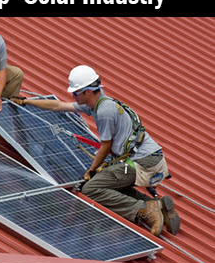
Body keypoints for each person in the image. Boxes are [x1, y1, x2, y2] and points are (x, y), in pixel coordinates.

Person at [12, 65, 180, 237]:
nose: (73, 96)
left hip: (143, 162)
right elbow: (58, 106)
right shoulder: (100, 104)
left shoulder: (104, 111)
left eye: (76, 93)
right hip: (149, 159)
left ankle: (144, 209)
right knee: (107, 184)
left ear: (88, 92)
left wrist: (91, 170)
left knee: (91, 188)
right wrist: (26, 101)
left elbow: (105, 146)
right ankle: (157, 205)